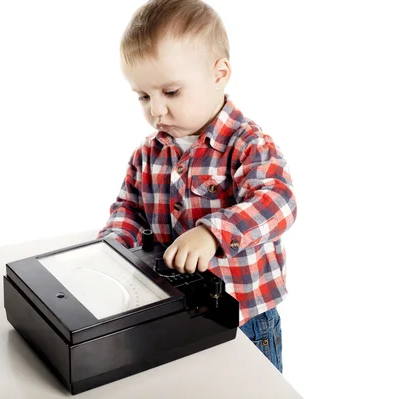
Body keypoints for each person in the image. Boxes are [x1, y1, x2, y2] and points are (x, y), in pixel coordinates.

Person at [97, 0, 297, 373]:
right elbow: (128, 208)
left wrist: (212, 234)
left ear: (219, 74)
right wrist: (111, 249)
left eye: (170, 92)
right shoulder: (147, 153)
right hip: (176, 311)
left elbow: (278, 201)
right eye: (143, 96)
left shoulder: (248, 144)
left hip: (244, 317)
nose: (155, 110)